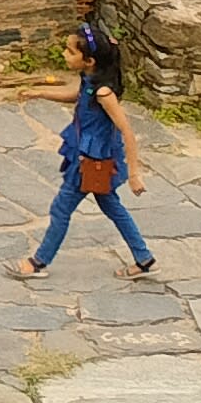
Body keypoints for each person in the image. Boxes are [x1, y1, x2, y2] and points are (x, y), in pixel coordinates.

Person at [24, 24, 157, 275]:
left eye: (69, 51)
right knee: (111, 206)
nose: (64, 54)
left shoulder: (104, 93)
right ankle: (144, 257)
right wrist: (39, 92)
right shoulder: (89, 79)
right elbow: (76, 95)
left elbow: (127, 131)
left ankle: (38, 262)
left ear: (89, 60)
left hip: (93, 161)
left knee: (61, 208)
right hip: (86, 155)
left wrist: (134, 174)